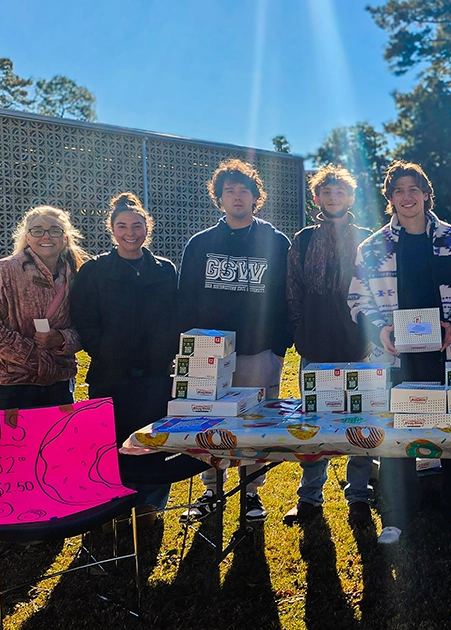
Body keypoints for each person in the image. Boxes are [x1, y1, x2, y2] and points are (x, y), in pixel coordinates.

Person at [348, 160, 451, 545]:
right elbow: (358, 299)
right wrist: (381, 330)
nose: (407, 197)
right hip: (394, 359)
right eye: (399, 191)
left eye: (414, 189)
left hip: (447, 354)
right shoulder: (372, 248)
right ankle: (397, 514)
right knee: (394, 436)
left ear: (426, 194)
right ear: (390, 198)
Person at [178, 159, 292, 523]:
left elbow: (287, 297)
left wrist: (278, 347)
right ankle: (211, 489)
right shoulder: (200, 244)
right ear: (219, 198)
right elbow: (186, 298)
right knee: (208, 423)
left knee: (255, 423)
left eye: (245, 190)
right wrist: (190, 349)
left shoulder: (276, 242)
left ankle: (251, 493)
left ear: (256, 197)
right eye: (230, 190)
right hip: (209, 354)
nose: (237, 196)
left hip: (259, 350)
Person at [70, 192, 180, 523]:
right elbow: (83, 318)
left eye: (136, 226)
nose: (130, 233)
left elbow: (175, 316)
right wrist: (104, 349)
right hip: (111, 373)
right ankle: (114, 509)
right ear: (112, 230)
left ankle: (149, 507)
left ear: (147, 229)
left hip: (155, 373)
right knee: (111, 443)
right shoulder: (94, 270)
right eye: (122, 226)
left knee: (152, 441)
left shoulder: (165, 270)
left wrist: (165, 351)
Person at [283, 165, 376, 526]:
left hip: (358, 343)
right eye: (326, 192)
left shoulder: (367, 239)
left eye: (340, 192)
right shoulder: (304, 238)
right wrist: (300, 328)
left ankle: (359, 495)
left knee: (361, 421)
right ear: (316, 197)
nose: (333, 198)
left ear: (350, 197)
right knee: (313, 423)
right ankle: (309, 497)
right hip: (315, 342)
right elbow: (293, 287)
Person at [0, 206, 87, 411]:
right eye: (37, 230)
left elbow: (89, 325)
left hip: (58, 383)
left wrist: (63, 338)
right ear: (27, 237)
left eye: (55, 230)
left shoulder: (78, 276)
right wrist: (32, 356)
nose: (46, 236)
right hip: (8, 384)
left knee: (55, 434)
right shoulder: (5, 271)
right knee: (9, 435)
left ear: (65, 237)